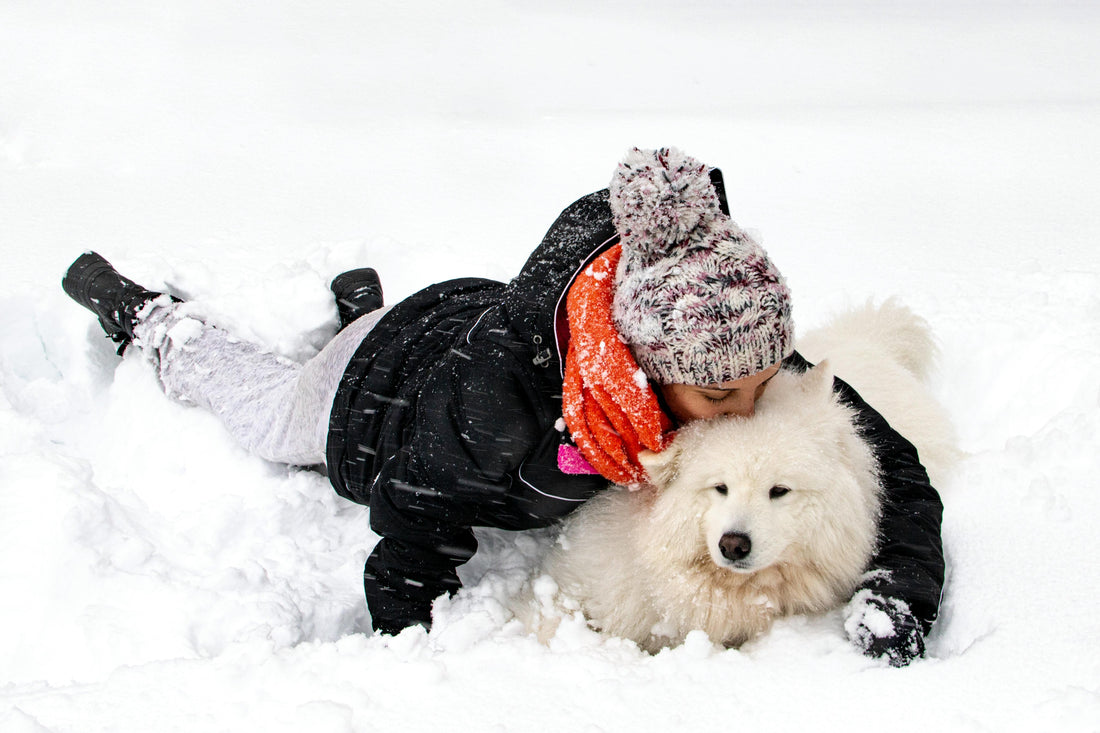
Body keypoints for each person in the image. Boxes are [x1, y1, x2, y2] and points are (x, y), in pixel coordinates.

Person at [61, 147, 943, 666]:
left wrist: (901, 586)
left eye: (760, 382)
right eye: (724, 395)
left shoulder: (720, 350)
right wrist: (406, 651)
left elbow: (887, 459)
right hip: (372, 397)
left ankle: (360, 300)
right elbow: (412, 510)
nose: (752, 408)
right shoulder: (500, 419)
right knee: (263, 411)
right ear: (646, 359)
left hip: (472, 315)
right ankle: (154, 321)